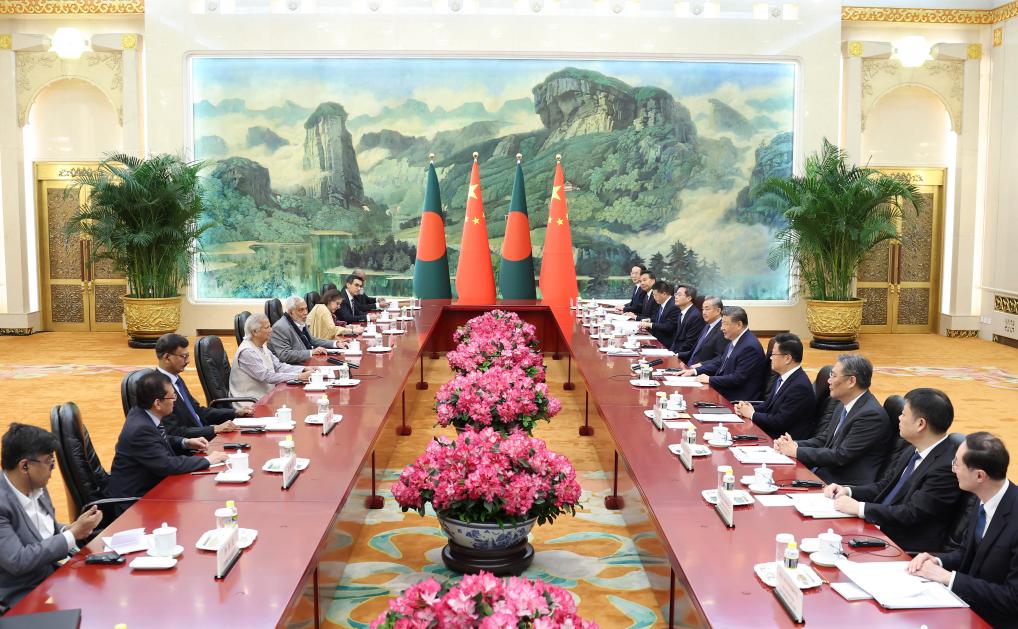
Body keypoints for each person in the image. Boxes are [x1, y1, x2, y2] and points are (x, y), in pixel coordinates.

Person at [824, 388, 962, 553]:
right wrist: (848, 490)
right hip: (879, 529)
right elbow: (884, 487)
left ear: (921, 424)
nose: (899, 418)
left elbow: (912, 513)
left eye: (903, 414)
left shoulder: (945, 467)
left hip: (903, 546)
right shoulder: (911, 449)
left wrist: (860, 508)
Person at [908, 432, 1018, 627]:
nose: (953, 469)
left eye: (957, 464)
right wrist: (938, 561)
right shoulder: (982, 497)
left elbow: (1012, 598)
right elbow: (967, 552)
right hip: (966, 606)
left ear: (979, 476)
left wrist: (949, 578)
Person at [0, 424, 102, 608]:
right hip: (23, 596)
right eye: (49, 462)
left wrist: (69, 528)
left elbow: (44, 530)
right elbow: (17, 561)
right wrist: (72, 535)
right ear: (25, 466)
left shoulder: (36, 484)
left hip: (53, 577)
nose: (52, 469)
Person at [108, 371, 228, 508]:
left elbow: (158, 440)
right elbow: (167, 465)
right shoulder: (140, 428)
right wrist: (208, 460)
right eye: (172, 397)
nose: (174, 401)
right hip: (136, 502)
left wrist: (185, 442)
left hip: (155, 487)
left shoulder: (143, 413)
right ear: (158, 403)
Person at [774, 355, 891, 485]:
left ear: (851, 381)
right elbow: (825, 440)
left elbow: (841, 455)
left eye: (833, 376)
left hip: (842, 484)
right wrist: (794, 445)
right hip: (824, 473)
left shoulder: (871, 415)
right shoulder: (842, 403)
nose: (828, 381)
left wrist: (796, 452)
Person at [154, 334, 245, 441]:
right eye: (184, 356)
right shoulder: (157, 387)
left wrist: (235, 412)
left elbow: (198, 411)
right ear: (167, 357)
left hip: (203, 435)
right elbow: (174, 432)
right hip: (192, 444)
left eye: (188, 356)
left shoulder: (176, 379)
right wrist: (214, 429)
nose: (188, 361)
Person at [733, 333, 815, 439]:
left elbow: (780, 421)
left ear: (787, 358)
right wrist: (746, 408)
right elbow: (768, 406)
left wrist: (752, 414)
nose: (771, 358)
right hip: (771, 432)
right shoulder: (782, 377)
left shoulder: (799, 387)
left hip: (782, 440)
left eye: (773, 354)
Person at [682, 306, 767, 402]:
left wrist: (710, 379)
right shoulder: (735, 340)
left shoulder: (749, 347)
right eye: (722, 323)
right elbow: (720, 362)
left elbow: (737, 378)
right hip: (724, 391)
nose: (722, 328)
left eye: (725, 324)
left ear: (739, 324)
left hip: (737, 399)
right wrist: (694, 371)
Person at [231, 313, 312, 404]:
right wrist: (298, 376)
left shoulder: (262, 346)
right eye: (267, 327)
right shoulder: (247, 351)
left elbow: (279, 367)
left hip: (266, 397)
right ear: (254, 332)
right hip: (250, 403)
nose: (271, 330)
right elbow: (267, 376)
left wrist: (304, 369)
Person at [268, 295, 346, 365]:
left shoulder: (299, 320)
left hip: (307, 361)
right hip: (293, 367)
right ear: (290, 312)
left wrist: (335, 343)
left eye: (306, 309)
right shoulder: (280, 327)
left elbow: (312, 340)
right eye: (301, 310)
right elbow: (285, 355)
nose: (305, 313)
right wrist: (311, 352)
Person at [679, 295, 726, 366]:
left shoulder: (723, 329)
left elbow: (720, 358)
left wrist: (699, 366)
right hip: (689, 367)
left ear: (718, 311)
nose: (703, 312)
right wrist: (675, 355)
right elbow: (695, 352)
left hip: (701, 370)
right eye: (703, 309)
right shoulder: (707, 326)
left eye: (707, 309)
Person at [637, 280, 679, 345]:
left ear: (664, 294)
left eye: (655, 295)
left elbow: (669, 326)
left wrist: (650, 325)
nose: (654, 298)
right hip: (657, 336)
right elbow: (660, 319)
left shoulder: (673, 306)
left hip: (666, 341)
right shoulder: (662, 303)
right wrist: (649, 320)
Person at [668, 284, 704, 356]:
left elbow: (689, 343)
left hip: (685, 356)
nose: (676, 297)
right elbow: (677, 339)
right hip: (676, 352)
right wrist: (669, 352)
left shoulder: (695, 316)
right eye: (676, 294)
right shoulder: (681, 313)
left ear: (689, 298)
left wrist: (674, 355)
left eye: (679, 295)